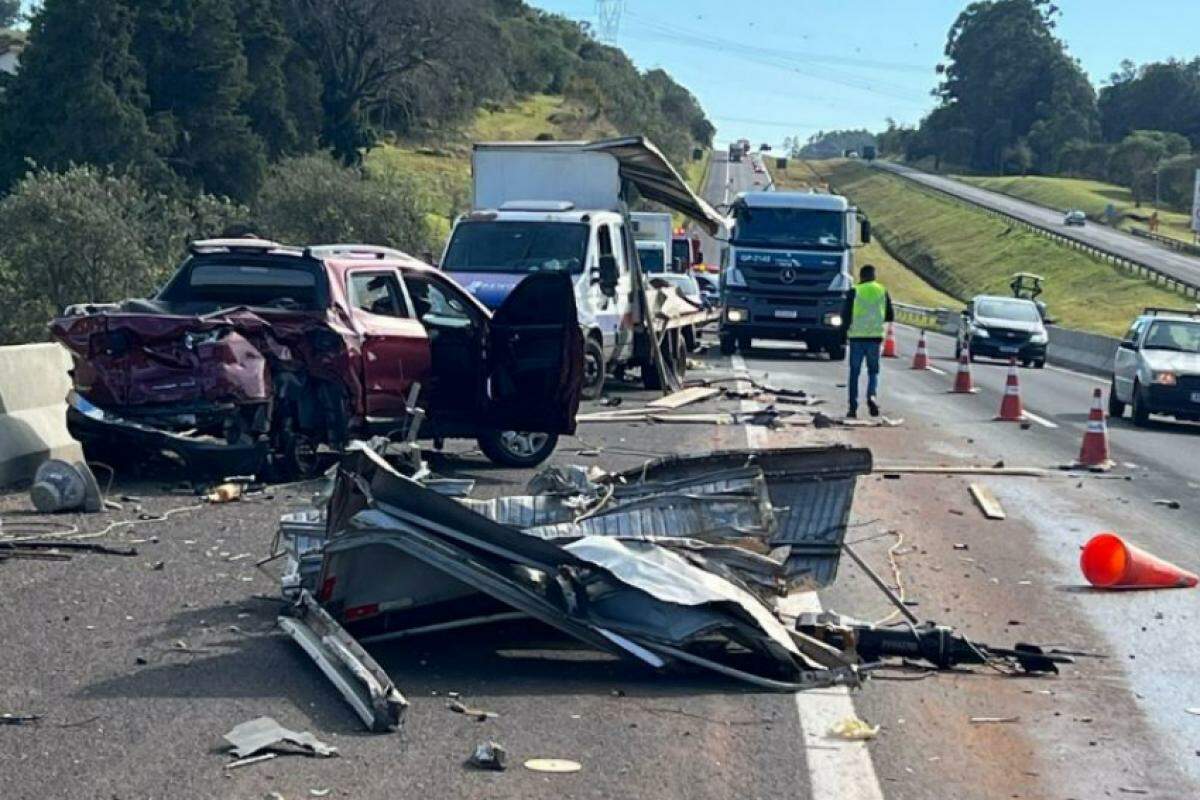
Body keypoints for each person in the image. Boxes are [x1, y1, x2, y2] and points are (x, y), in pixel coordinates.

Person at [841, 264, 894, 418]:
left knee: (854, 373)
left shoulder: (854, 291)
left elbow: (845, 316)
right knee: (873, 372)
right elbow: (890, 315)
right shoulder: (882, 291)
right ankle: (871, 396)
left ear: (861, 276)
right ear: (874, 276)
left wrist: (843, 334)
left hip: (857, 337)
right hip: (875, 338)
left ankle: (853, 407)